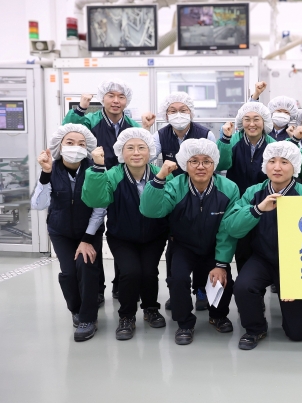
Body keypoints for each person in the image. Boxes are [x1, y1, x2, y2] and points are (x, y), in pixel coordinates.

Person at [140, 139, 240, 345]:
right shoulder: (174, 185)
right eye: (194, 161)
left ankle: (218, 315)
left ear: (215, 164)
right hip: (182, 245)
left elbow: (227, 230)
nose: (201, 166)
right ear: (185, 164)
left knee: (222, 279)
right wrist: (159, 178)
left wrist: (221, 263)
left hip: (214, 246)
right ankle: (184, 323)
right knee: (178, 280)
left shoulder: (229, 189)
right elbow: (150, 210)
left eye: (207, 161)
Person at [63, 79, 154, 300]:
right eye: (111, 96)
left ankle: (119, 283)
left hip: (123, 186)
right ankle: (98, 288)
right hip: (95, 184)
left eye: (121, 97)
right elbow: (68, 131)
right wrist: (81, 108)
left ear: (126, 101)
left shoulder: (132, 124)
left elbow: (138, 149)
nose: (116, 101)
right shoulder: (91, 121)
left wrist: (145, 129)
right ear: (102, 98)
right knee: (94, 234)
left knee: (121, 231)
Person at [225, 142, 302, 350]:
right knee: (243, 286)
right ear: (264, 166)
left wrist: (298, 281)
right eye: (272, 161)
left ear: (295, 167)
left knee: (298, 333)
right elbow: (233, 228)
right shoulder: (253, 193)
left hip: (295, 262)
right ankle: (255, 328)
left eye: (284, 162)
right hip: (262, 258)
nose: (277, 167)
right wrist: (257, 209)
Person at [82, 128, 169, 341]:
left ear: (151, 151)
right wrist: (97, 168)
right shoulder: (112, 174)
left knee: (149, 272)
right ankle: (127, 316)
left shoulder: (163, 173)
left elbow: (173, 206)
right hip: (122, 237)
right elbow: (96, 200)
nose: (136, 152)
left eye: (142, 147)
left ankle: (150, 308)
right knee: (130, 273)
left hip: (154, 235)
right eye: (130, 148)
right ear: (121, 152)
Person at [144, 91, 219, 311]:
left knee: (205, 243)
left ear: (191, 112)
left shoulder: (205, 134)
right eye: (173, 110)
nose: (178, 114)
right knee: (175, 247)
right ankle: (178, 292)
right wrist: (146, 131)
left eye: (183, 110)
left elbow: (217, 164)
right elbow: (147, 156)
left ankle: (202, 290)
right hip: (174, 195)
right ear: (165, 114)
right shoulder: (161, 135)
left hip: (202, 192)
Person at [30, 124, 105, 342]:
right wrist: (45, 174)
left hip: (89, 231)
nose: (76, 147)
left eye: (82, 144)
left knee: (87, 267)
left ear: (88, 148)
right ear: (59, 146)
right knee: (69, 272)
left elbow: (100, 208)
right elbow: (38, 204)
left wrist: (87, 239)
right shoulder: (51, 169)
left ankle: (88, 318)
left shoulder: (95, 169)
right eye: (70, 143)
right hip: (60, 231)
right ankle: (76, 309)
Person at [217, 102, 276, 274]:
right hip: (237, 202)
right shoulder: (232, 140)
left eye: (256, 119)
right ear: (241, 122)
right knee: (241, 246)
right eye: (247, 119)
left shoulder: (272, 145)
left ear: (264, 121)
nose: (252, 124)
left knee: (265, 242)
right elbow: (221, 164)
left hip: (264, 201)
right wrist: (225, 139)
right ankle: (246, 285)